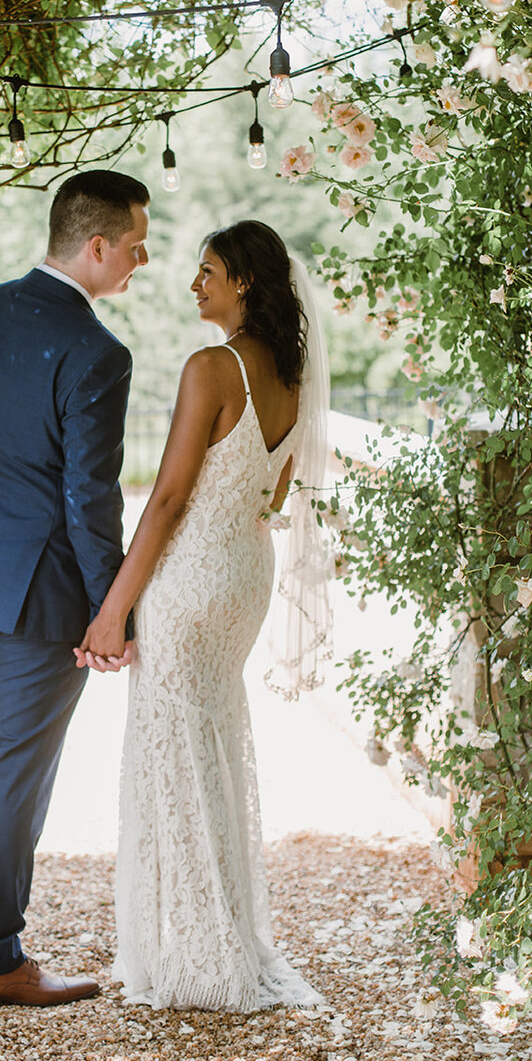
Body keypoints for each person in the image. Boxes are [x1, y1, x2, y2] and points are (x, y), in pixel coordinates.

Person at [75, 220, 332, 1012]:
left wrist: (112, 609)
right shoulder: (289, 374)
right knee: (209, 741)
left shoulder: (212, 368)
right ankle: (218, 927)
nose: (196, 285)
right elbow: (275, 495)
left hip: (189, 582)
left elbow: (170, 499)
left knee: (171, 749)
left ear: (245, 283)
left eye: (209, 272)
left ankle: (197, 948)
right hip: (245, 575)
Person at [0, 169, 150, 1011]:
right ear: (96, 248)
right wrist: (108, 611)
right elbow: (91, 498)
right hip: (40, 592)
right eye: (135, 246)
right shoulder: (99, 353)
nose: (142, 260)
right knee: (17, 764)